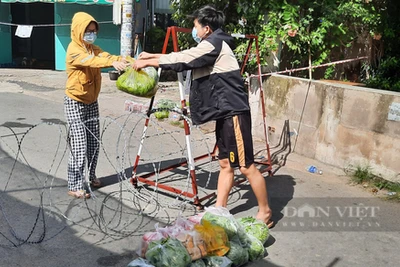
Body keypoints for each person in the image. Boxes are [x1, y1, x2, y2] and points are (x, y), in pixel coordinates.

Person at [132, 5, 273, 227]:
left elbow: (184, 60)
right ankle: (219, 208)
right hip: (224, 113)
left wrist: (149, 61)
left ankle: (265, 212)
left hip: (233, 113)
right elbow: (184, 55)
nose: (193, 30)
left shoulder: (214, 44)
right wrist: (153, 55)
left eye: (195, 26)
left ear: (206, 28)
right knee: (226, 163)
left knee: (246, 166)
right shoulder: (214, 42)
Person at [64, 12, 127, 198]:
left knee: (93, 143)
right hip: (75, 101)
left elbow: (104, 55)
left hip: (92, 101)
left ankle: (91, 176)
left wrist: (122, 60)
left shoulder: (92, 48)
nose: (91, 34)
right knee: (79, 144)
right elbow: (93, 62)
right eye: (87, 31)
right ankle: (74, 185)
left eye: (93, 31)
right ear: (78, 31)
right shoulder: (74, 50)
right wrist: (111, 62)